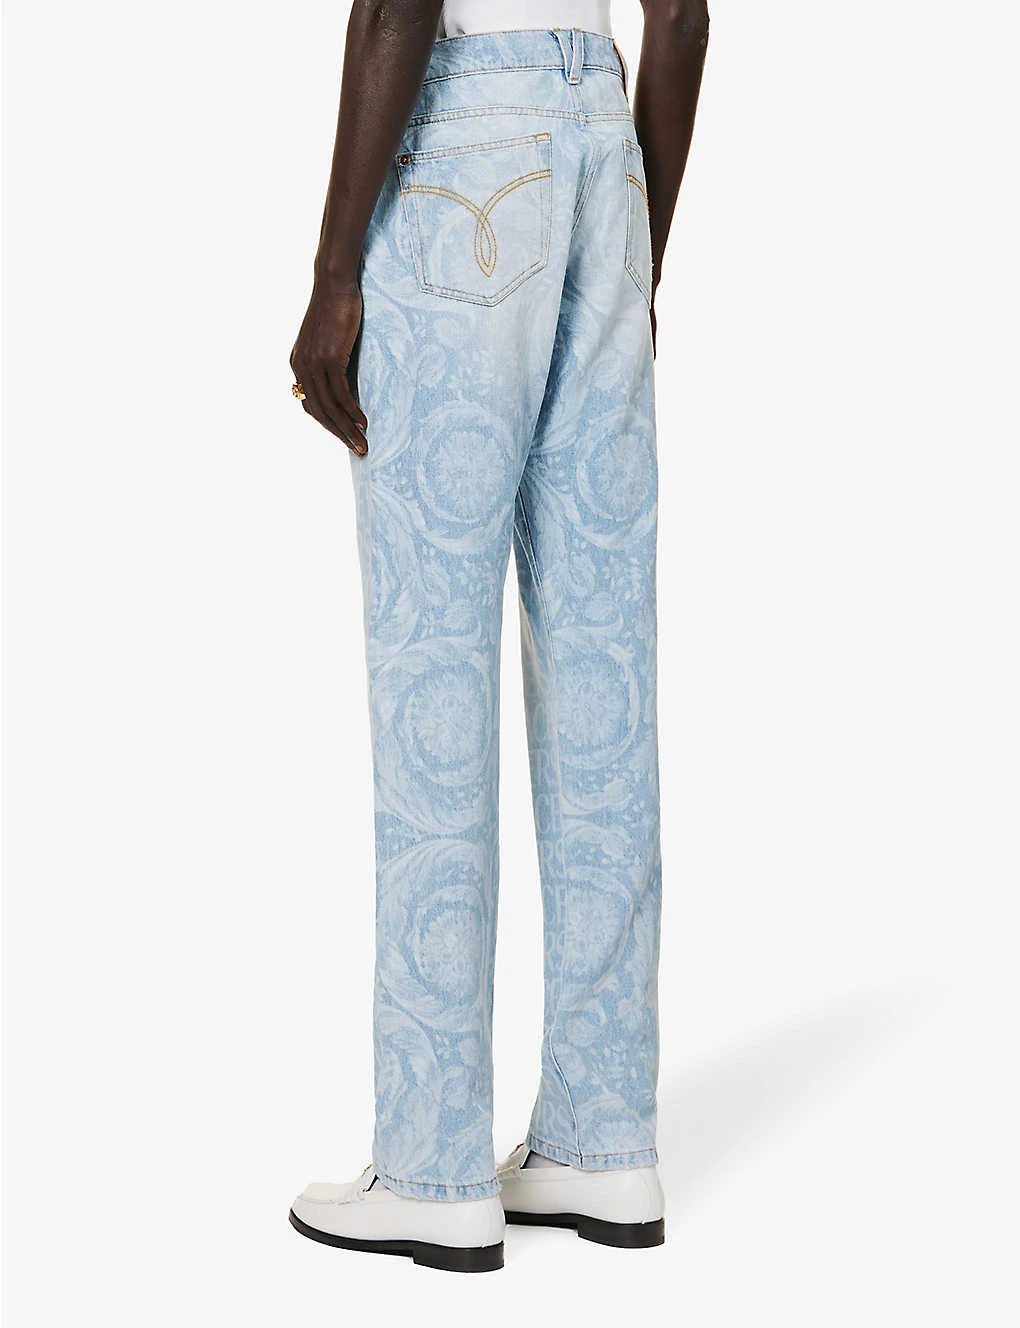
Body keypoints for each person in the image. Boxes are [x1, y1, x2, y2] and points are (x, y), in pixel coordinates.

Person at [288, 0, 708, 1273]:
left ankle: (433, 1164)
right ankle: (603, 1136)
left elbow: (399, 6)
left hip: (467, 142)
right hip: (609, 163)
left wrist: (335, 274)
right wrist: (633, 259)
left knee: (435, 660)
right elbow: (682, 15)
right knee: (602, 666)